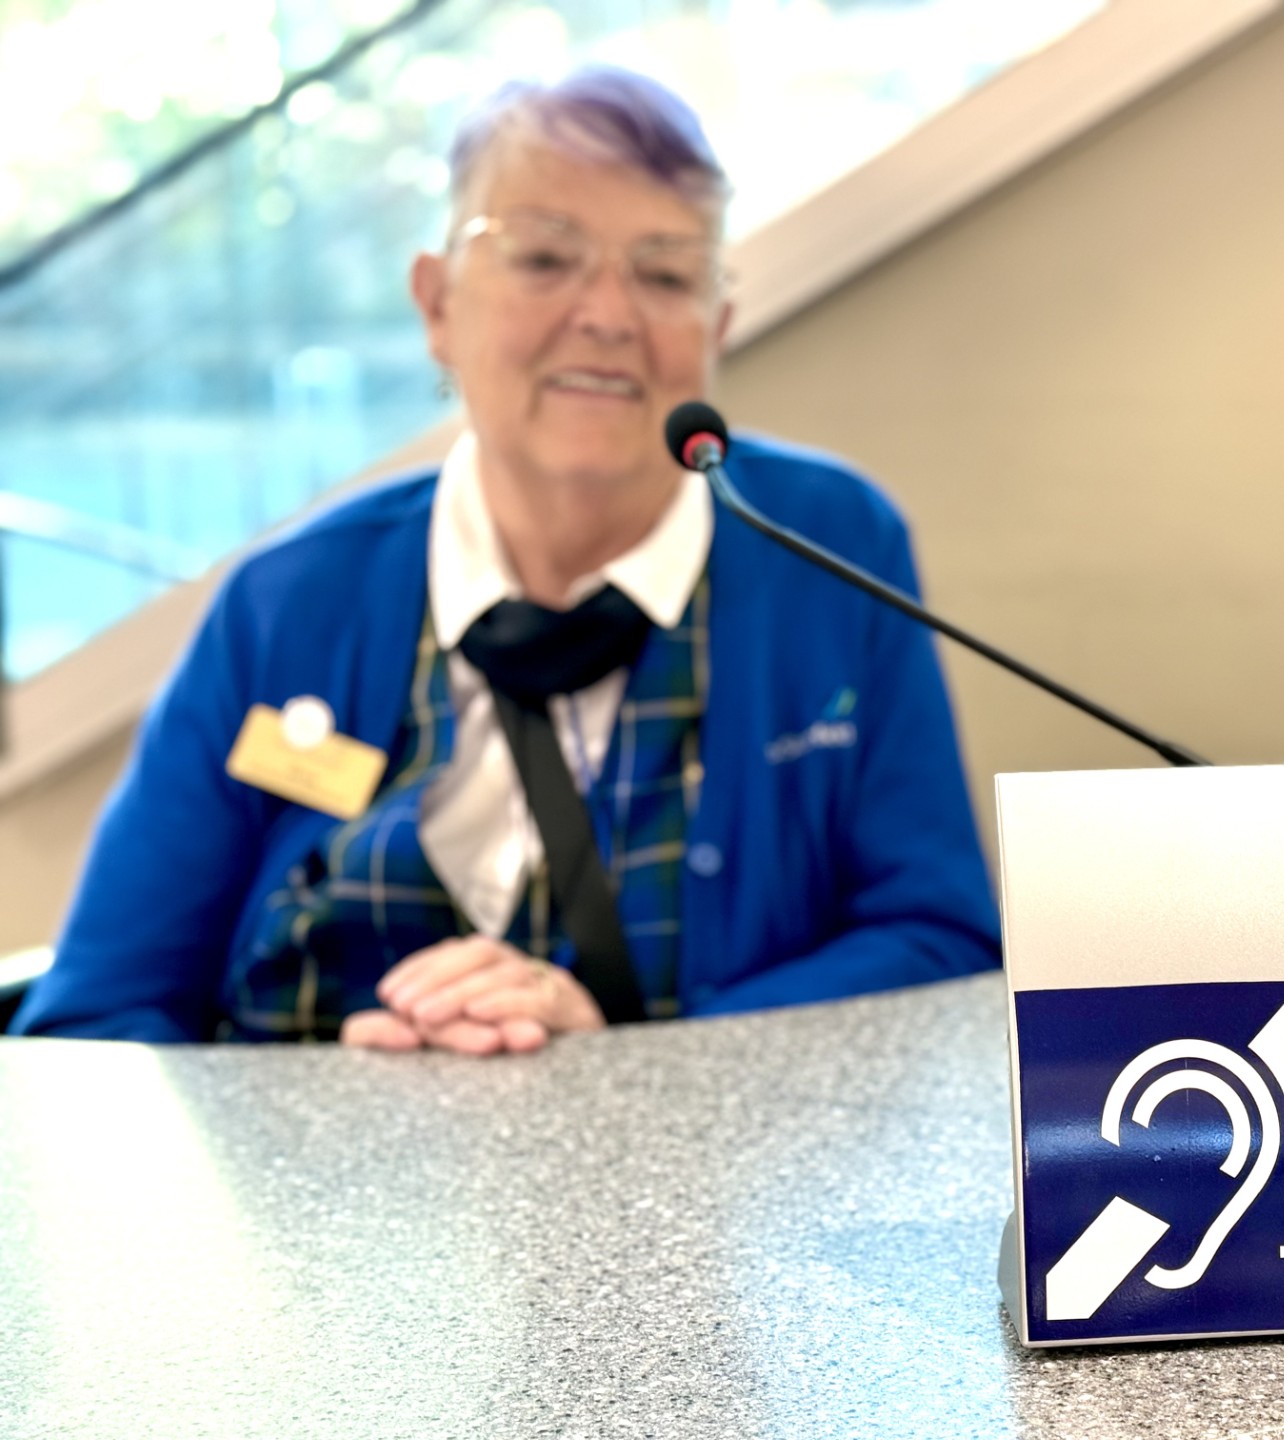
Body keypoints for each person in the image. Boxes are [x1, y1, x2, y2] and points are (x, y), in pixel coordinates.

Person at [11, 67, 1000, 1051]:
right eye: (543, 258)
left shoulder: (831, 549)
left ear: (718, 329)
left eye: (664, 274)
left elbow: (941, 940)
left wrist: (628, 1056)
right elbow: (96, 1019)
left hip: (708, 1193)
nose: (608, 315)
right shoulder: (288, 602)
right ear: (437, 305)